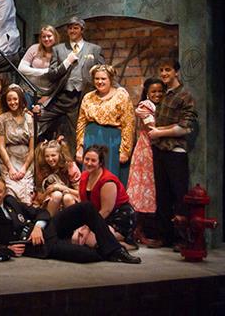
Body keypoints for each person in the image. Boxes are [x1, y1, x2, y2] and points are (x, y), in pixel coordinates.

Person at [0, 176, 140, 264]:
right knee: (86, 256)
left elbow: (41, 212)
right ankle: (106, 251)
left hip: (47, 228)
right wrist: (8, 250)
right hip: (38, 246)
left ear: (4, 191)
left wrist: (37, 227)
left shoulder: (10, 201)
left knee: (86, 207)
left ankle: (116, 251)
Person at [148, 59, 198, 249]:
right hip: (160, 150)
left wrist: (160, 132)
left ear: (176, 72)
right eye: (161, 70)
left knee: (179, 195)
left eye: (167, 70)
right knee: (162, 195)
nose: (164, 73)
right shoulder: (164, 95)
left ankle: (182, 239)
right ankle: (165, 237)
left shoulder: (184, 95)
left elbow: (186, 127)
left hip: (175, 151)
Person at [38, 17, 104, 145]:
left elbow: (104, 72)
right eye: (70, 28)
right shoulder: (58, 49)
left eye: (76, 28)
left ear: (82, 30)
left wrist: (117, 88)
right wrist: (67, 62)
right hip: (61, 97)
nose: (72, 30)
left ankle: (76, 161)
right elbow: (51, 75)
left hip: (81, 97)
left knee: (77, 133)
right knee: (38, 118)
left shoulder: (94, 49)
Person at [75, 64, 136, 185]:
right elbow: (81, 122)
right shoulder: (88, 97)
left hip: (112, 141)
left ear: (110, 79)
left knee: (109, 176)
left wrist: (125, 150)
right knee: (91, 177)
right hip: (91, 139)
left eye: (103, 79)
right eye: (97, 79)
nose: (100, 82)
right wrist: (80, 147)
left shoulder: (121, 96)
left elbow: (128, 123)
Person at [78, 145, 138, 250]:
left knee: (90, 241)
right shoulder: (84, 176)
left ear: (100, 163)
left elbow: (106, 210)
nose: (89, 163)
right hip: (98, 217)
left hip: (117, 217)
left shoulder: (107, 180)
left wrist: (88, 227)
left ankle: (125, 244)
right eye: (87, 159)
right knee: (76, 239)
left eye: (93, 160)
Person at [128, 78, 165, 246]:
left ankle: (153, 230)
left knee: (156, 189)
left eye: (160, 91)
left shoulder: (164, 105)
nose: (157, 94)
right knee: (143, 189)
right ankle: (137, 230)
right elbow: (153, 127)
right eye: (153, 91)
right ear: (147, 93)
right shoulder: (145, 107)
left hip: (158, 149)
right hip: (146, 151)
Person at [0, 85, 35, 204]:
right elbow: (1, 146)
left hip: (26, 159)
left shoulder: (29, 118)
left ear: (20, 99)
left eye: (15, 99)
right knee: (10, 194)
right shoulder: (0, 120)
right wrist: (10, 168)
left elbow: (32, 148)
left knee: (26, 196)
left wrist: (24, 168)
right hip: (9, 159)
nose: (12, 102)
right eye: (9, 100)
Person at [34, 138, 81, 216]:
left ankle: (73, 225)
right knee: (57, 195)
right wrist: (48, 191)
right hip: (50, 200)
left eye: (53, 155)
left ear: (60, 154)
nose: (50, 159)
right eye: (47, 156)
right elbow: (40, 198)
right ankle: (48, 223)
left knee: (67, 198)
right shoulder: (43, 168)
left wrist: (60, 187)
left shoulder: (70, 166)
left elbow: (80, 193)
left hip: (70, 197)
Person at [18, 25, 60, 97]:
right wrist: (45, 71)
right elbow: (21, 68)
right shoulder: (34, 48)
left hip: (49, 93)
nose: (46, 39)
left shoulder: (60, 51)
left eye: (49, 36)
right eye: (43, 37)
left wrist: (49, 96)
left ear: (55, 37)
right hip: (29, 88)